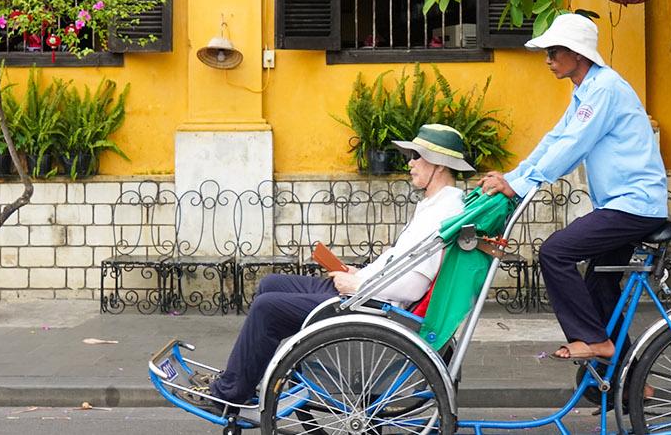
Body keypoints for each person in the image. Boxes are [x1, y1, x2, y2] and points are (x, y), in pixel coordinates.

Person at [191, 124, 473, 407]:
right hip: (368, 290)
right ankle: (247, 376)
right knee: (271, 284)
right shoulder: (435, 205)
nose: (409, 163)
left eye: (415, 156)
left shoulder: (444, 213)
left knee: (267, 308)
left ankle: (229, 393)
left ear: (437, 164)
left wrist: (358, 284)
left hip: (373, 303)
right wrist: (360, 273)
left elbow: (412, 285)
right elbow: (400, 262)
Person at [479, 13, 669, 362]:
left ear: (577, 54)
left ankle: (593, 340)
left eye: (554, 52)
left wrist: (520, 184)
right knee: (599, 284)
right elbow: (556, 138)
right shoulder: (587, 91)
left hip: (634, 205)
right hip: (619, 205)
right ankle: (630, 385)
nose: (548, 60)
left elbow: (575, 145)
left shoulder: (605, 89)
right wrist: (514, 176)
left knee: (555, 252)